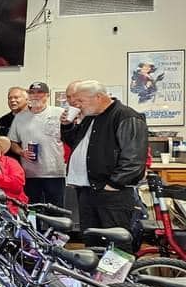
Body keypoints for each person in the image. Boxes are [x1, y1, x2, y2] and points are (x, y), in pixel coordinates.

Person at [62, 80, 148, 251]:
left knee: (117, 242)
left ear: (99, 97)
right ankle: (95, 277)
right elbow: (76, 143)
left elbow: (134, 158)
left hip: (111, 192)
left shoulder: (126, 116)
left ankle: (120, 278)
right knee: (92, 239)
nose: (76, 105)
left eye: (80, 101)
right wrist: (67, 126)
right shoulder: (90, 117)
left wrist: (114, 184)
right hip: (88, 189)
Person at [8, 82, 66, 206]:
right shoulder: (20, 117)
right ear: (28, 95)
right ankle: (35, 227)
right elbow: (12, 142)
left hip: (55, 173)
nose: (36, 96)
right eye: (32, 93)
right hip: (30, 174)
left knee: (56, 211)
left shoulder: (59, 113)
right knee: (33, 212)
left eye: (40, 93)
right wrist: (21, 152)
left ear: (47, 95)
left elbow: (72, 137)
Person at [0, 87, 28, 162]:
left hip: (30, 163)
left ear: (27, 99)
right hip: (11, 165)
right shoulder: (2, 121)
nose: (12, 100)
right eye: (10, 98)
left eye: (16, 97)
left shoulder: (34, 117)